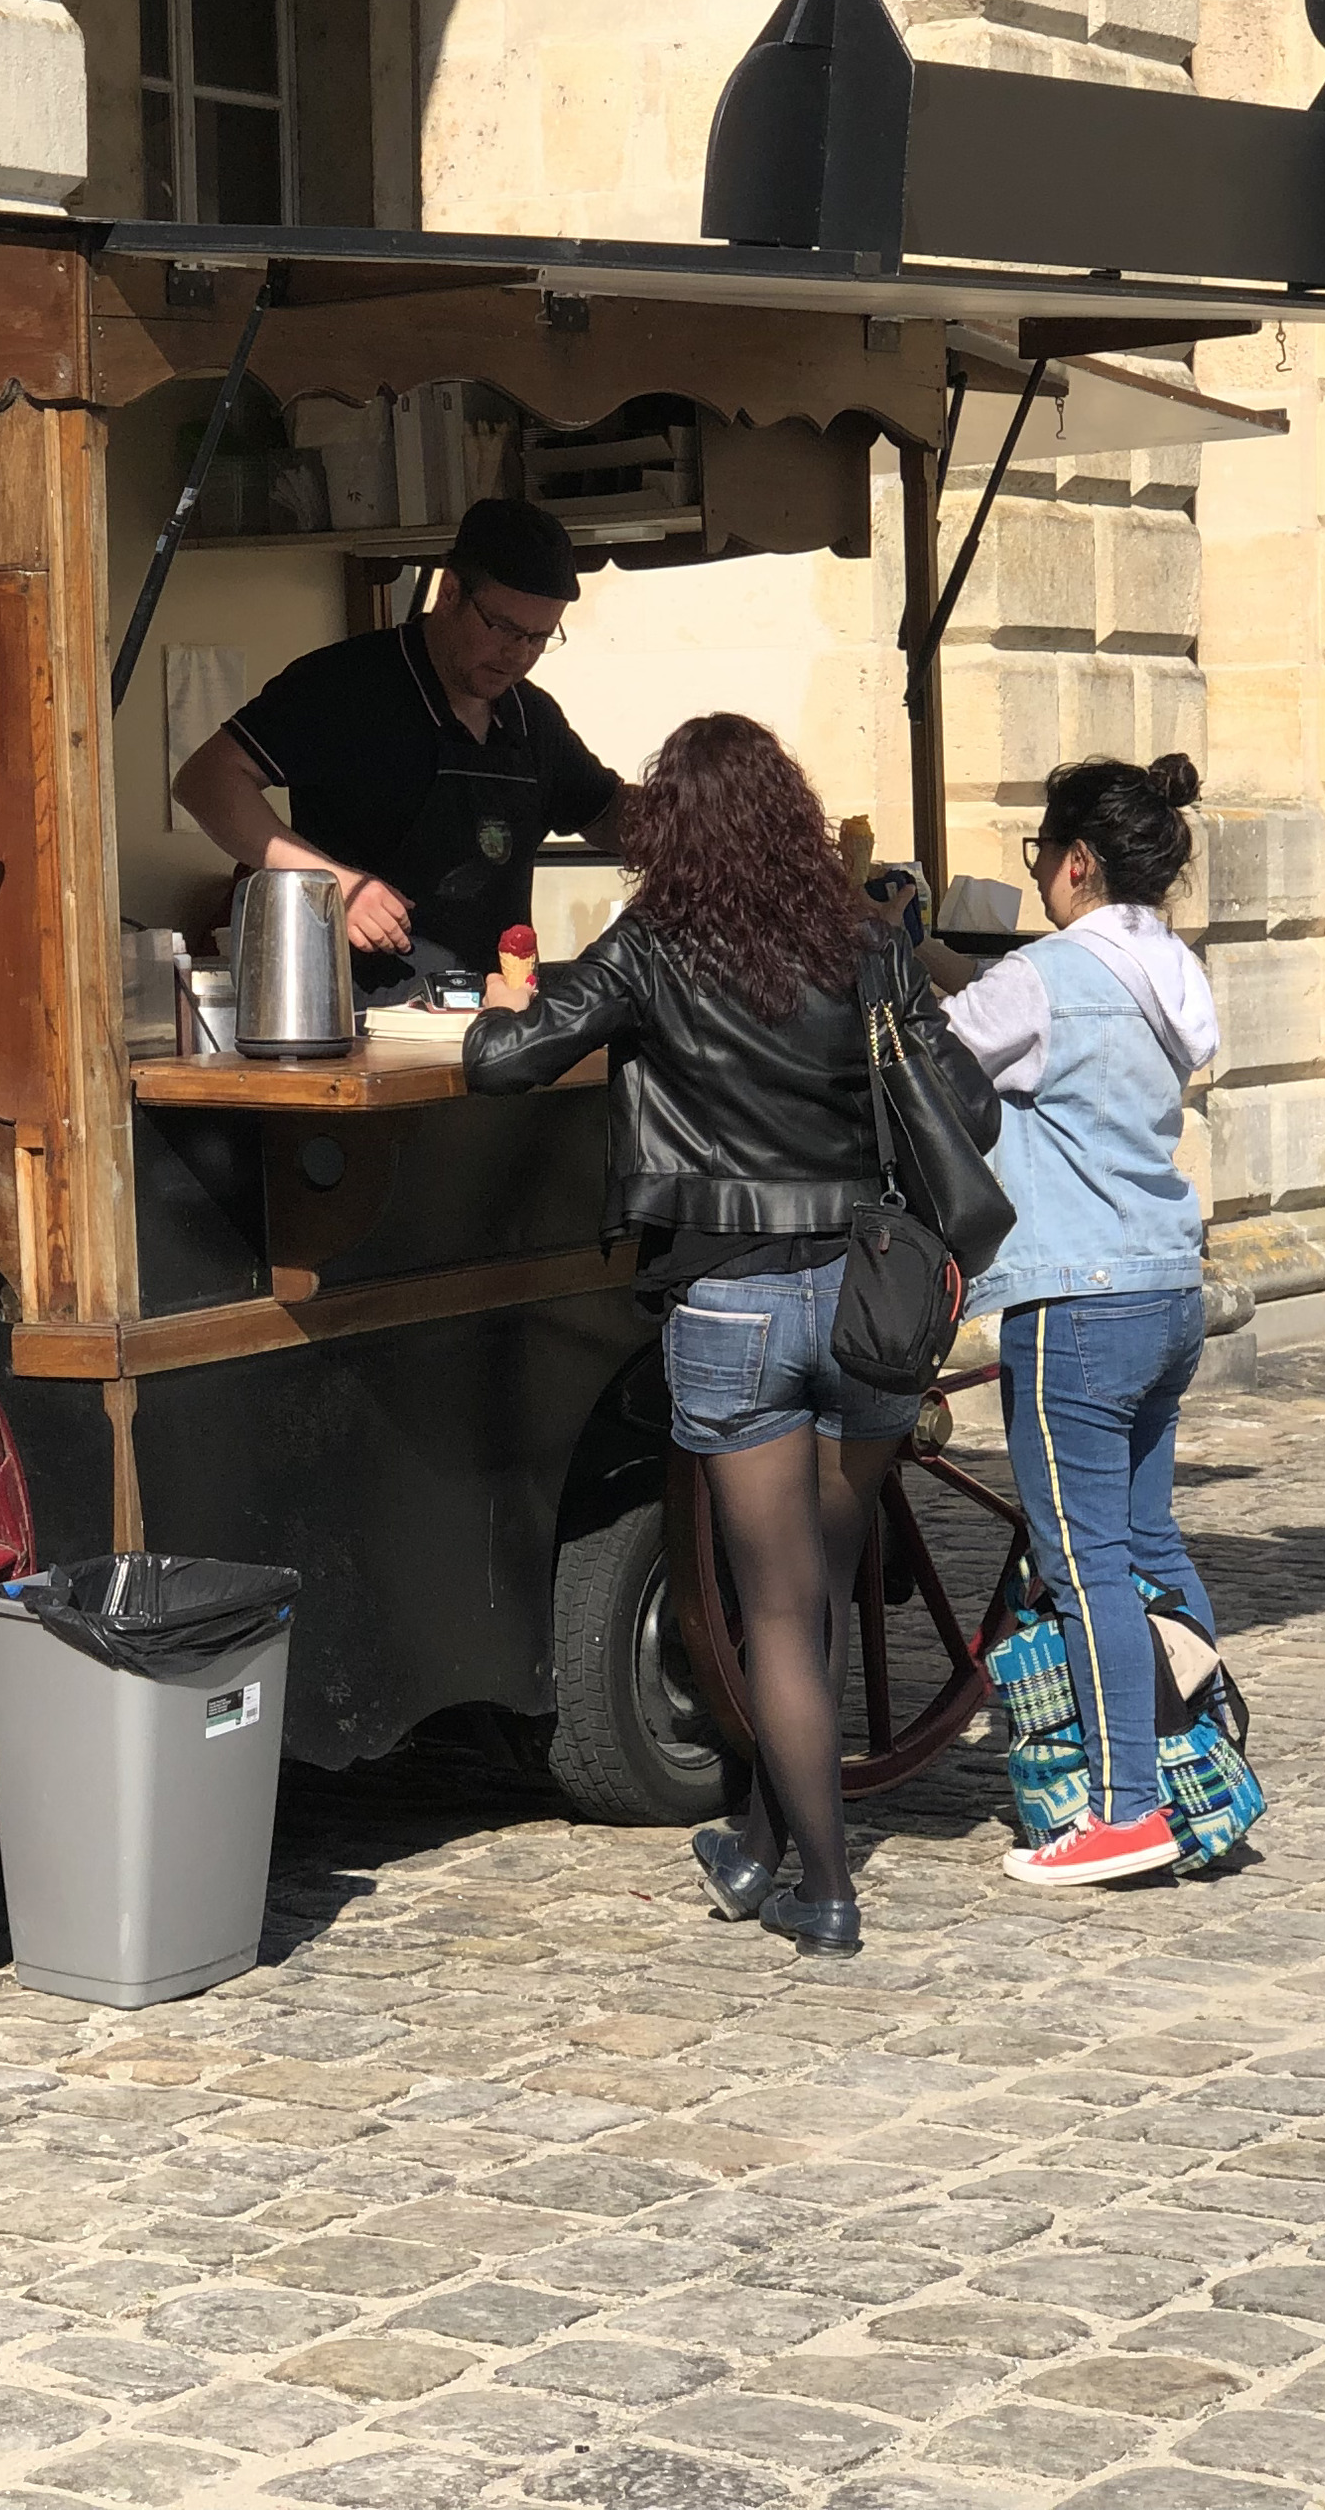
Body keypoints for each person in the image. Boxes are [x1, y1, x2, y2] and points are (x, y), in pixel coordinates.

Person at [464, 714, 991, 1960]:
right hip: (867, 1292)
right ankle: (760, 1840)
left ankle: (824, 1887)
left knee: (771, 1606)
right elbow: (960, 1093)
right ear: (790, 816)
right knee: (812, 1584)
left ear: (675, 831)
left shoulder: (652, 945)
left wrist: (503, 1001)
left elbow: (504, 1063)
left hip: (736, 1297)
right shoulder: (867, 939)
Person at [916, 752, 1226, 1888]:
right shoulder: (1168, 970)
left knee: (1081, 1557)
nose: (1037, 871)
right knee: (1148, 1544)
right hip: (1163, 1287)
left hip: (1072, 1301)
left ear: (1076, 863)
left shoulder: (1044, 977)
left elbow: (935, 1053)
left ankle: (1124, 1807)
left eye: (1040, 855)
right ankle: (1203, 1771)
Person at [171, 496, 633, 998]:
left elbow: (606, 814)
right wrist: (333, 886)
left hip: (497, 1025)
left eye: (539, 638)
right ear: (450, 591)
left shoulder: (532, 717)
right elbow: (206, 780)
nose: (518, 654)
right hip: (363, 1020)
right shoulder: (346, 686)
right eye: (504, 629)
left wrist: (705, 820)